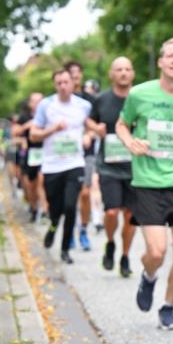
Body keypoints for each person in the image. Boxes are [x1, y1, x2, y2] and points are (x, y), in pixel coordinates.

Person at [115, 37, 173, 330]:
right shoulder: (139, 94)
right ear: (161, 62)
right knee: (156, 252)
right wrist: (129, 141)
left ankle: (168, 307)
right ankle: (148, 276)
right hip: (148, 182)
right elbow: (121, 124)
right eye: (171, 55)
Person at [30, 69, 92, 265]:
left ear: (73, 83)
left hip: (75, 163)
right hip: (52, 166)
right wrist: (53, 129)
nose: (63, 86)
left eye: (66, 82)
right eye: (59, 83)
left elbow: (91, 126)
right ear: (55, 85)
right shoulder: (46, 106)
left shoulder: (84, 106)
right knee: (56, 207)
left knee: (70, 206)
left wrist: (89, 136)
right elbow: (33, 135)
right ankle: (54, 224)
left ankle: (65, 249)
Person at [87, 57, 137, 278]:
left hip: (135, 166)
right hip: (108, 165)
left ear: (132, 73)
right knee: (112, 211)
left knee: (130, 215)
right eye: (119, 69)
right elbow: (88, 120)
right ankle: (109, 242)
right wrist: (95, 128)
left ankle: (125, 257)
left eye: (127, 69)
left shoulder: (140, 97)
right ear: (111, 74)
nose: (123, 73)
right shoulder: (102, 99)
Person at [66, 59, 95, 251]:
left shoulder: (90, 100)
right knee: (70, 197)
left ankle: (83, 230)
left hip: (86, 152)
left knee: (85, 193)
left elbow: (98, 124)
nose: (76, 76)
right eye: (72, 72)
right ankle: (69, 232)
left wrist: (90, 134)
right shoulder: (61, 99)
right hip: (66, 153)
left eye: (79, 72)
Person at [15, 93, 46, 222]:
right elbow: (15, 133)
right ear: (30, 104)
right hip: (30, 154)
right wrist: (26, 127)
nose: (37, 103)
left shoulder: (48, 116)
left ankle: (45, 210)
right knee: (30, 184)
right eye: (34, 101)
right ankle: (33, 208)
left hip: (45, 152)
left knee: (42, 180)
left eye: (40, 101)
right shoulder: (24, 117)